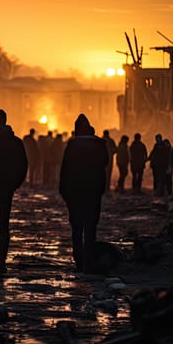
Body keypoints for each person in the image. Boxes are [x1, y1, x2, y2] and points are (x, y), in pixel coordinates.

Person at [59, 114, 108, 273]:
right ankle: (89, 260)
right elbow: (105, 163)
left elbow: (65, 170)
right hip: (93, 191)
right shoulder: (99, 145)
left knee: (77, 228)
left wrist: (63, 190)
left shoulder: (73, 145)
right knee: (90, 227)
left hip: (75, 192)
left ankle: (79, 261)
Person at [0, 109, 28, 273]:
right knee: (2, 225)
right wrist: (15, 183)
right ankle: (0, 260)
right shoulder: (15, 142)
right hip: (5, 188)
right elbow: (23, 164)